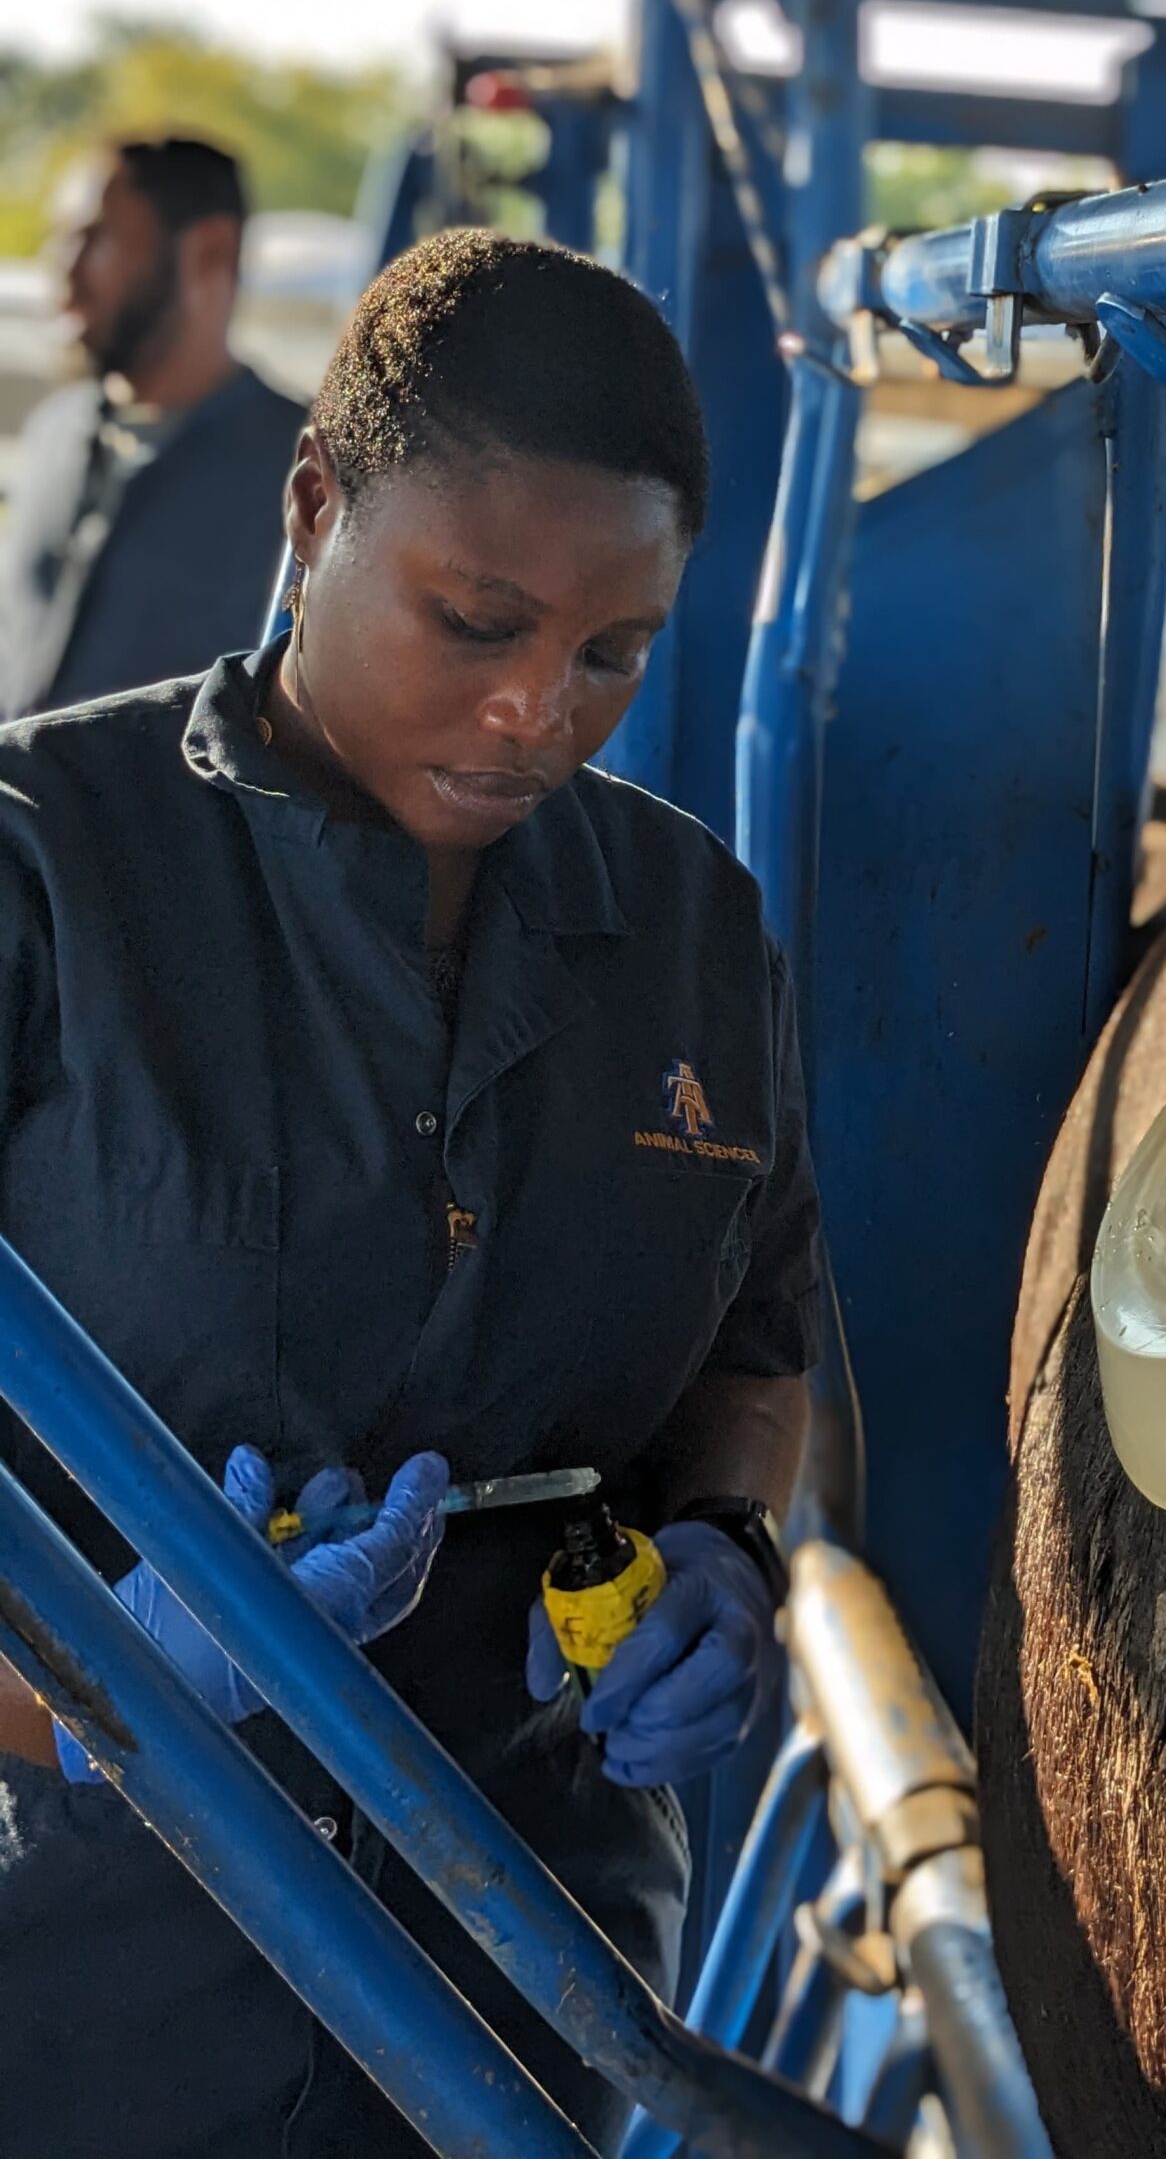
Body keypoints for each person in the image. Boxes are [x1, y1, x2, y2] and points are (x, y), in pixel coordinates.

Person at [0, 229, 822, 2155]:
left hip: (522, 1999)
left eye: (613, 652)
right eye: (479, 622)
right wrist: (100, 1687)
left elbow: (758, 1348)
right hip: (71, 1990)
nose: (544, 709)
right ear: (314, 511)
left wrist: (725, 1552)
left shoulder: (690, 927)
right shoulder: (48, 873)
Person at [0, 136, 304, 718]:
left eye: (96, 236)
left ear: (210, 252)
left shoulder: (309, 473)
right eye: (64, 237)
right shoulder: (52, 433)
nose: (64, 268)